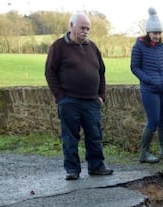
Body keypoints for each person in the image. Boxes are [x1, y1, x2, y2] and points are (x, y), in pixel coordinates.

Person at [45, 12, 113, 180]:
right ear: (71, 26)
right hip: (70, 101)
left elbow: (101, 72)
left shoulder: (93, 47)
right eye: (82, 27)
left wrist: (101, 96)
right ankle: (72, 170)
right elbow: (50, 73)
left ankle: (96, 166)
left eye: (88, 28)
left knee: (95, 135)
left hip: (92, 101)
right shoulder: (58, 47)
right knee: (70, 137)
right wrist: (60, 97)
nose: (85, 31)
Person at [130, 7, 163, 163]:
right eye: (154, 33)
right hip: (149, 90)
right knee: (153, 120)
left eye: (159, 33)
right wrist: (148, 79)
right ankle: (144, 153)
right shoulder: (139, 47)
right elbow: (134, 67)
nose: (157, 36)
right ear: (148, 32)